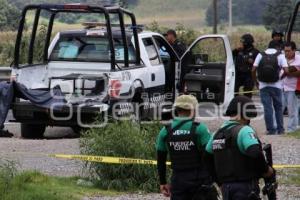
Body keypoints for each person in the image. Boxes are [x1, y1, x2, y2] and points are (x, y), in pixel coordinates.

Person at [205, 96, 274, 200]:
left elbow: (206, 158)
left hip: (226, 188)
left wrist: (219, 182)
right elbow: (255, 152)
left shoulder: (217, 133)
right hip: (246, 187)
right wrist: (266, 170)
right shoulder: (244, 130)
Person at [156, 95, 218, 200]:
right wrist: (216, 179)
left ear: (176, 109)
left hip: (178, 181)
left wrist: (163, 182)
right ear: (192, 109)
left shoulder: (165, 131)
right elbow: (209, 155)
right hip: (200, 180)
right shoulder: (200, 129)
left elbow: (160, 159)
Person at [252, 41, 288, 135]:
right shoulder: (280, 55)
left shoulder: (260, 54)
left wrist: (256, 81)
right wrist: (280, 78)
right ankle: (280, 129)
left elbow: (253, 69)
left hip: (263, 85)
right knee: (278, 108)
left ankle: (270, 130)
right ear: (277, 47)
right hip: (277, 86)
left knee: (268, 108)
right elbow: (286, 70)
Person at [233, 34, 260, 98]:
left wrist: (253, 62)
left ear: (247, 43)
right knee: (234, 90)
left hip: (249, 75)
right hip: (238, 74)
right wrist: (236, 50)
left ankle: (246, 104)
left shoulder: (255, 52)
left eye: (243, 42)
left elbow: (259, 64)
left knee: (247, 92)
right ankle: (234, 103)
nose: (241, 43)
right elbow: (230, 56)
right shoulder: (239, 50)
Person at [282, 41, 300, 132]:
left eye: (288, 51)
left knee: (292, 110)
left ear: (294, 50)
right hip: (281, 87)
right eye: (285, 51)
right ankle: (277, 128)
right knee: (278, 108)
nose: (286, 53)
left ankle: (292, 129)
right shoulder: (281, 58)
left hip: (293, 88)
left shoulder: (299, 59)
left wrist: (290, 72)